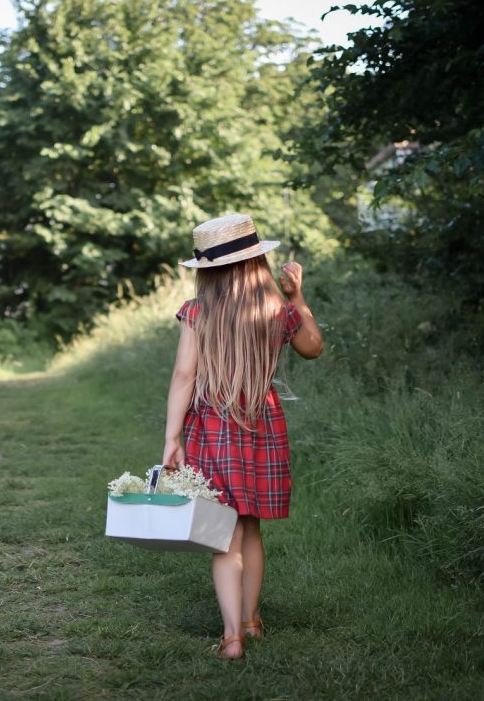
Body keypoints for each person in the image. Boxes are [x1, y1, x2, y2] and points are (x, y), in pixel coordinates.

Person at [162, 213, 323, 660]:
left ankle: (232, 636)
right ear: (256, 261)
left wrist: (171, 438)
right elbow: (312, 346)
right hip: (262, 422)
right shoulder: (275, 309)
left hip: (213, 426)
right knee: (250, 528)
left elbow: (182, 376)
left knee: (223, 535)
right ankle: (252, 622)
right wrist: (298, 297)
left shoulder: (198, 311)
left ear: (207, 271)